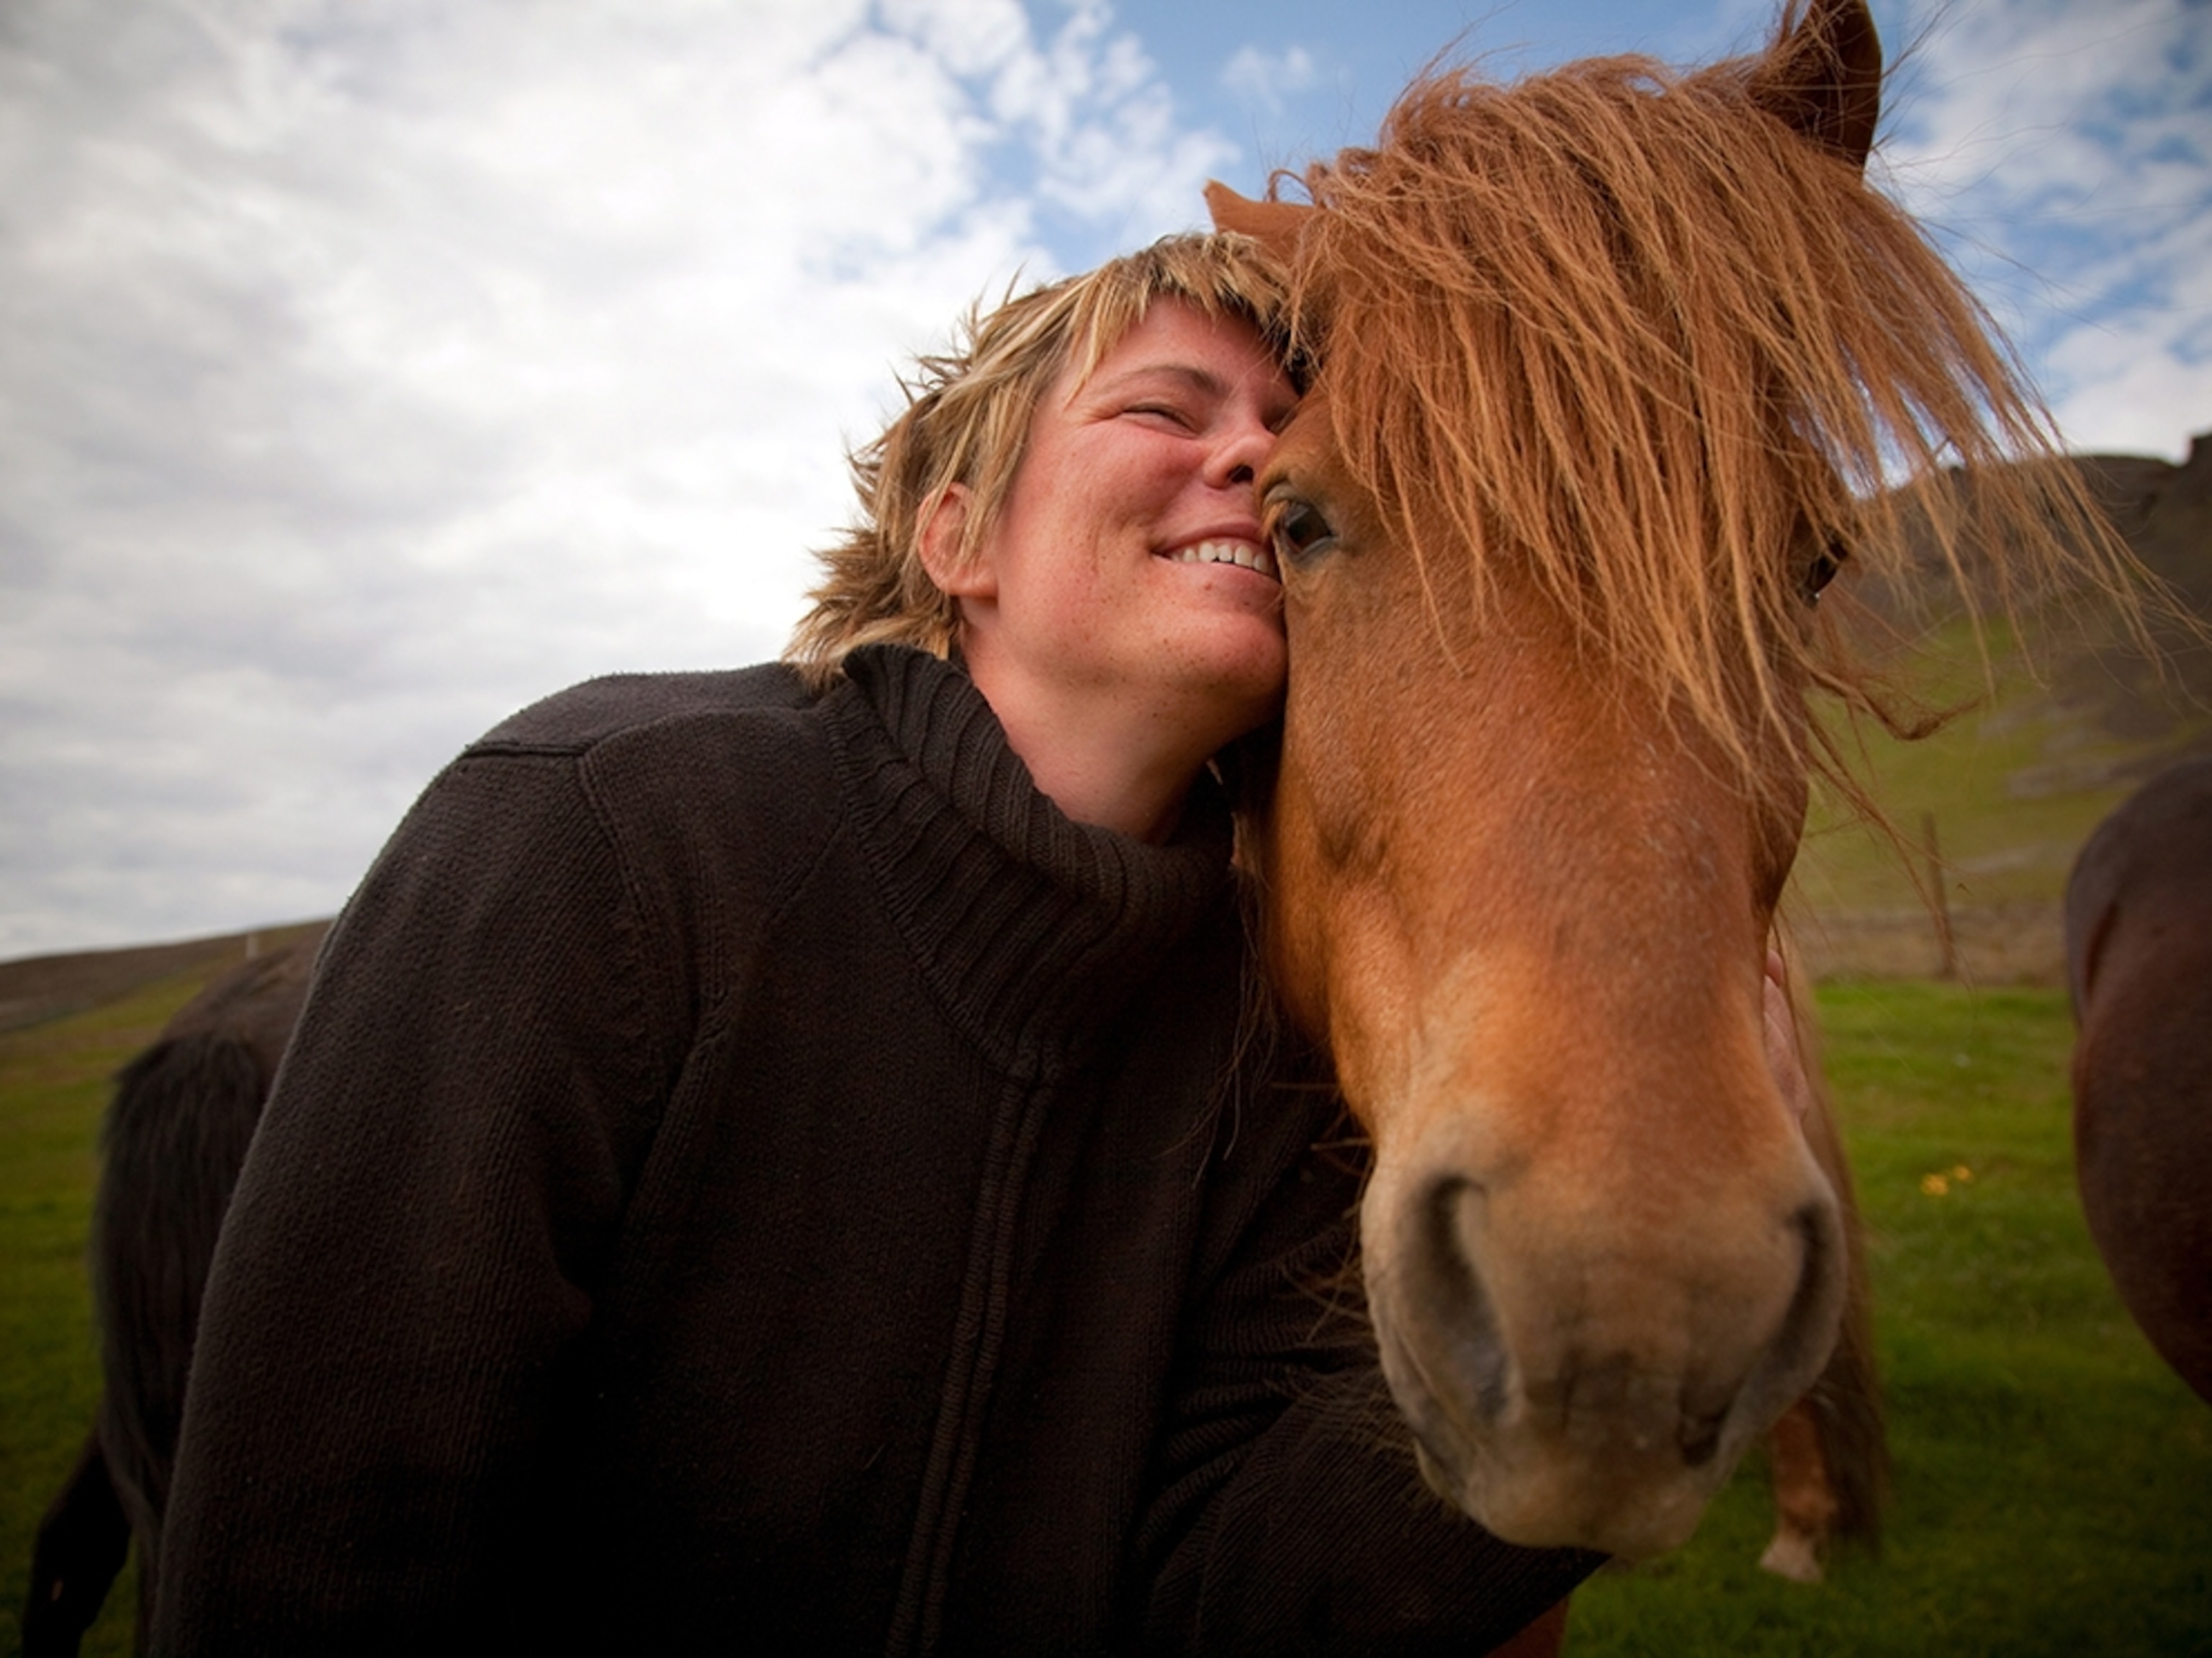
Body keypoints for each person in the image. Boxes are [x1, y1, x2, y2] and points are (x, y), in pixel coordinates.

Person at [150, 234, 1601, 1655]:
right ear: (956, 535)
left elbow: (1236, 1593)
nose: (1257, 458)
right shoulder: (609, 829)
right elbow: (316, 1543)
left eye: (1290, 434)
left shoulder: (1263, 1039)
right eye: (1168, 407)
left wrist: (1606, 1332)